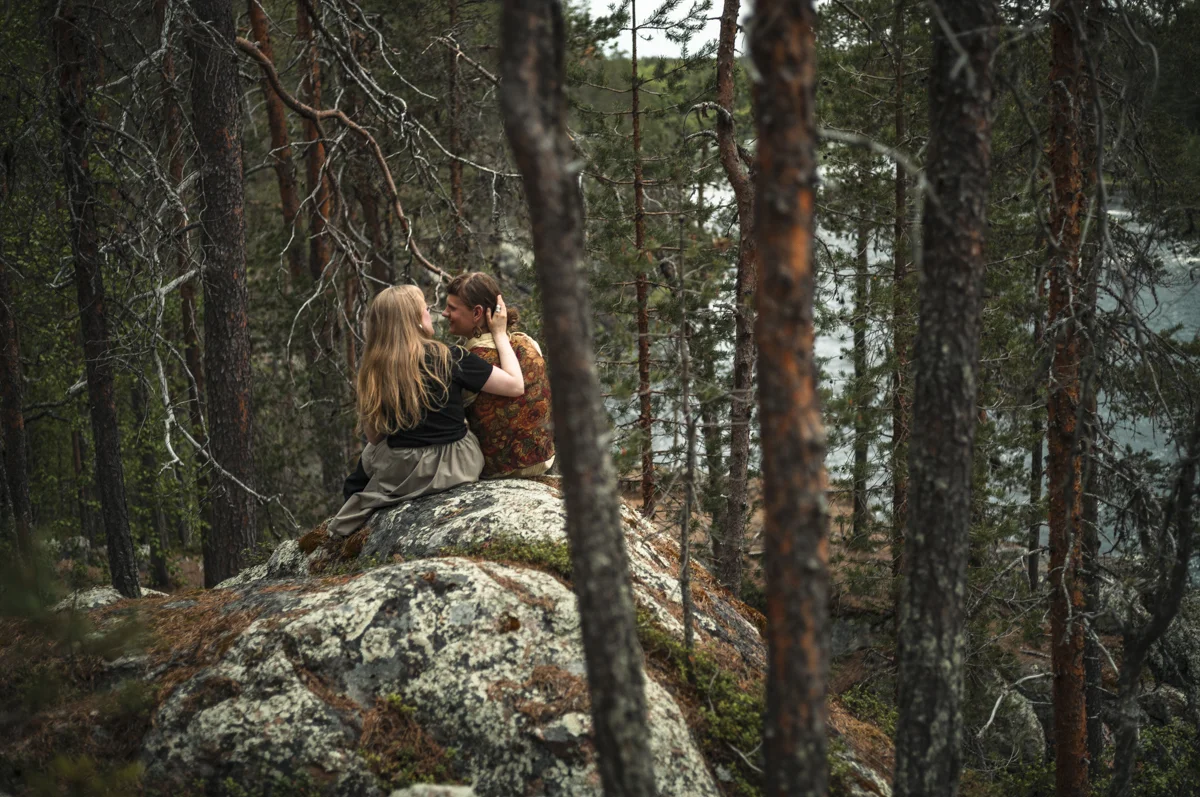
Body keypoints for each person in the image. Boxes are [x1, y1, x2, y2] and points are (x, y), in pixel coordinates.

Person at [328, 284, 523, 538]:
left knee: (365, 462)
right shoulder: (449, 356)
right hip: (459, 466)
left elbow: (375, 438)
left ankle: (345, 526)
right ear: (415, 321)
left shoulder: (374, 370)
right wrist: (499, 333)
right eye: (425, 310)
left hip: (404, 473)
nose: (432, 314)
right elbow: (515, 385)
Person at [443, 272, 555, 479]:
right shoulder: (527, 342)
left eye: (452, 308)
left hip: (499, 470)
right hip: (543, 460)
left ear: (477, 313)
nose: (444, 313)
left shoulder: (466, 360)